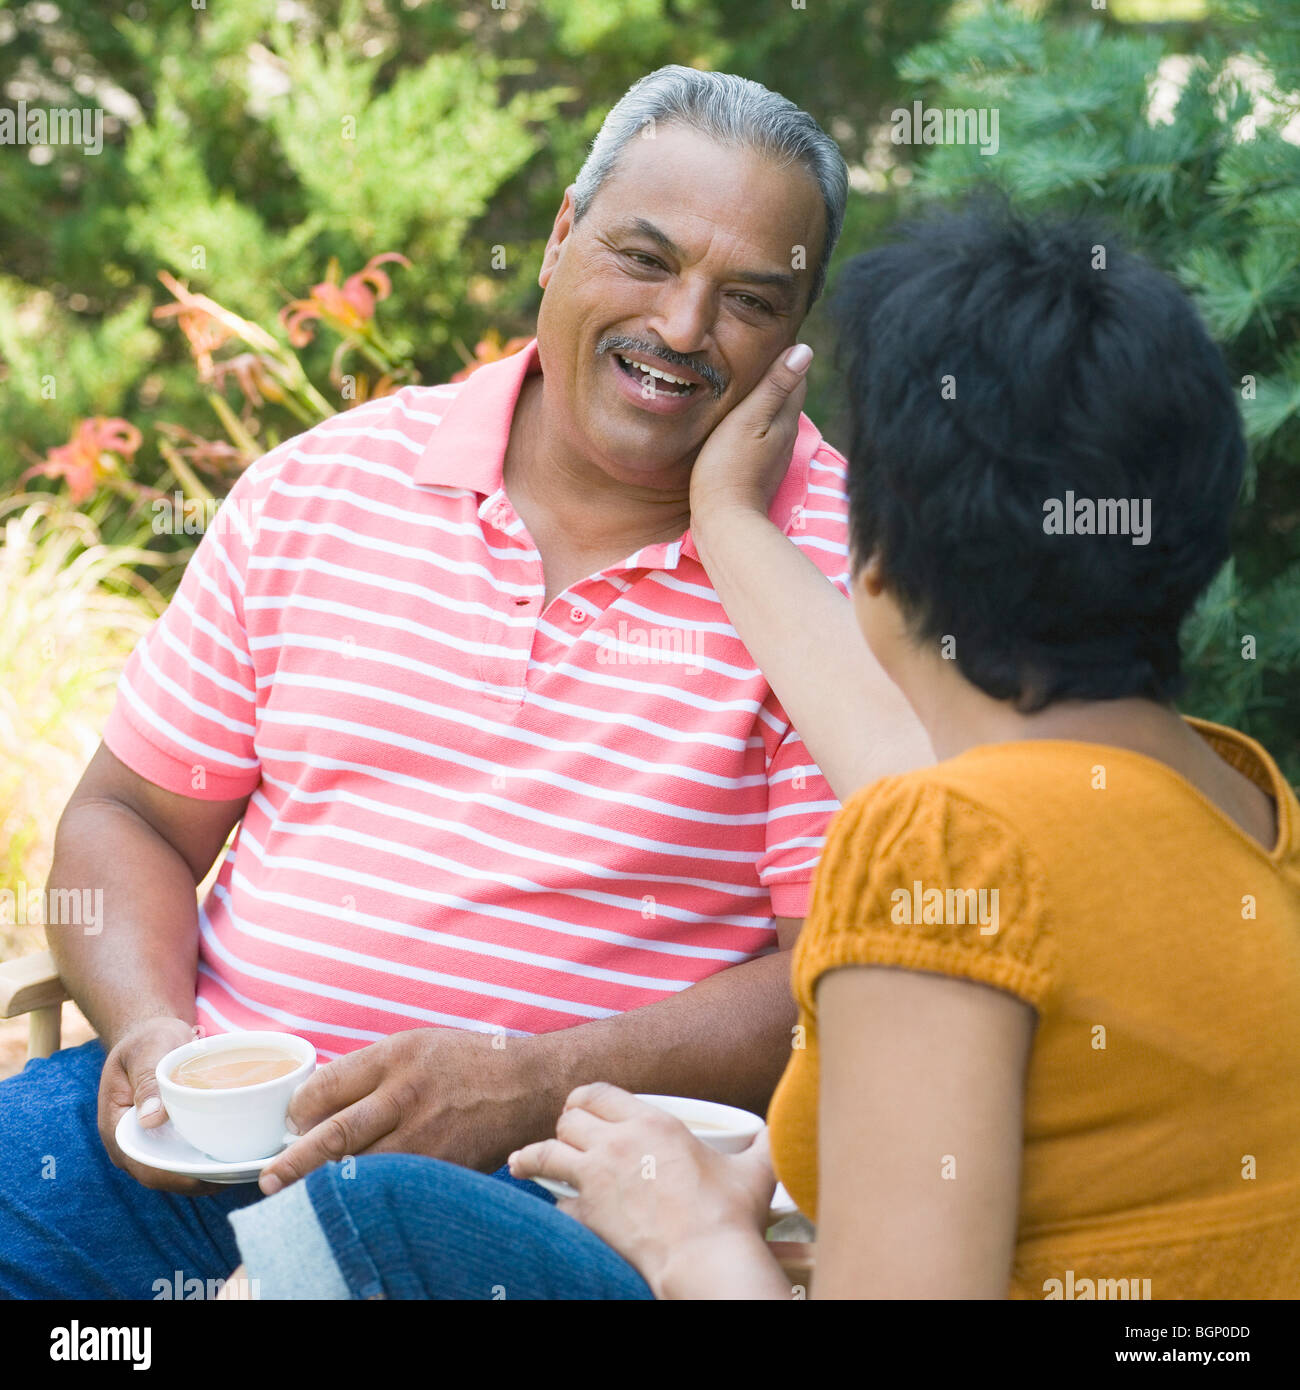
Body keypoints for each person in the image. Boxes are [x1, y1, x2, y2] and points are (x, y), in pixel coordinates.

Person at [218, 207, 1300, 1299]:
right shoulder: (1238, 806)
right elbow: (913, 759)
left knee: (373, 1214)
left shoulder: (941, 850)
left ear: (872, 565)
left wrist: (690, 1236)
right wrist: (730, 516)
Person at [0, 67, 931, 1300]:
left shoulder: (836, 576)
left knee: (363, 1234)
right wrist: (154, 1036)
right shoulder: (322, 486)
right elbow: (127, 817)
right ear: (559, 239)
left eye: (747, 299)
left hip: (543, 1200)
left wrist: (529, 1076)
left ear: (797, 331)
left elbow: (843, 973)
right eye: (644, 260)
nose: (683, 328)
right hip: (197, 1152)